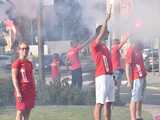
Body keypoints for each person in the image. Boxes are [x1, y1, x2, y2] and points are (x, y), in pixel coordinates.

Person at [90, 13, 115, 120]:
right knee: (100, 102)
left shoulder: (105, 47)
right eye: (106, 32)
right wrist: (106, 20)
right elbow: (100, 35)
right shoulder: (95, 45)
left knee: (108, 103)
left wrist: (113, 76)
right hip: (101, 76)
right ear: (101, 33)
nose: (108, 33)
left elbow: (109, 63)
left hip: (109, 76)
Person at [11, 41, 36, 120]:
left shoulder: (29, 63)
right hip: (21, 91)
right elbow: (14, 78)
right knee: (20, 111)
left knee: (28, 111)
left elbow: (31, 77)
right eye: (23, 48)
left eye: (27, 48)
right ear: (19, 50)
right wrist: (18, 92)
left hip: (30, 90)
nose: (25, 50)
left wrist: (34, 88)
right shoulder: (16, 63)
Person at [125, 40, 147, 120]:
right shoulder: (131, 50)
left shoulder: (139, 49)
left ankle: (139, 116)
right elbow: (127, 67)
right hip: (136, 77)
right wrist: (129, 81)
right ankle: (133, 118)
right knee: (134, 98)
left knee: (140, 97)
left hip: (142, 76)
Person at [111, 33, 128, 105]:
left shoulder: (113, 49)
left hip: (116, 70)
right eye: (118, 42)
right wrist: (128, 36)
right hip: (116, 70)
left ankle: (116, 100)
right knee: (116, 86)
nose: (119, 44)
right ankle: (116, 101)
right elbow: (122, 43)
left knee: (116, 86)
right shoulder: (115, 48)